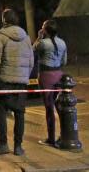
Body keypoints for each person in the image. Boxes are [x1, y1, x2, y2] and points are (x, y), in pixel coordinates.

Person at [0, 9, 34, 157]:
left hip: (4, 79)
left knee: (1, 111)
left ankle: (2, 143)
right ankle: (18, 146)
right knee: (19, 113)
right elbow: (31, 60)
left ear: (4, 20)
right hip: (21, 81)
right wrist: (25, 76)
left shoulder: (0, 37)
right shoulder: (26, 37)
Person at [34, 19, 67, 147]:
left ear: (46, 30)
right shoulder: (62, 43)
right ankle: (65, 135)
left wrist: (38, 37)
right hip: (58, 74)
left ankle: (51, 138)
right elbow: (64, 61)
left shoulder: (43, 43)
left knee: (49, 108)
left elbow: (33, 49)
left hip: (45, 75)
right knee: (60, 106)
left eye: (42, 26)